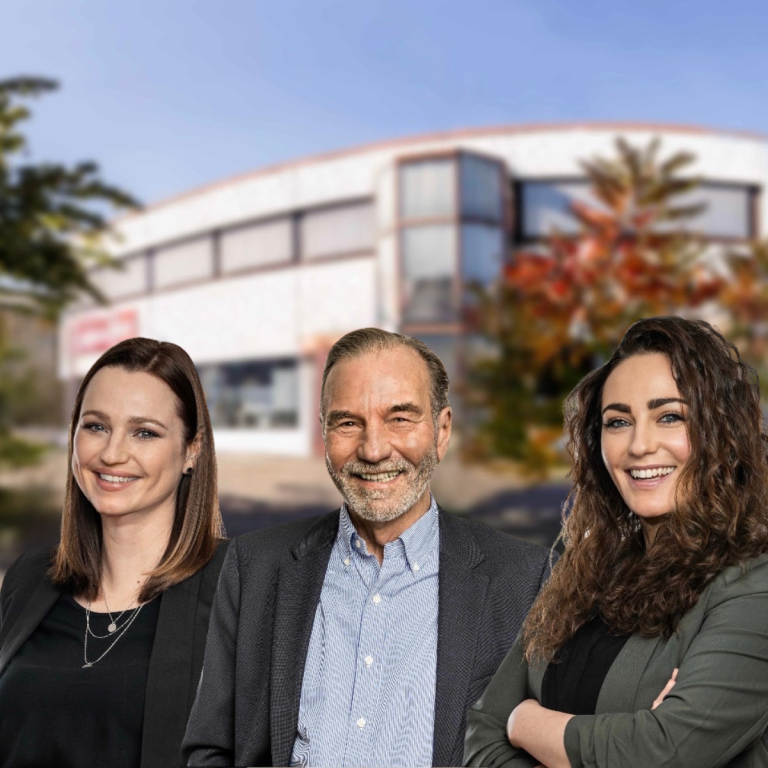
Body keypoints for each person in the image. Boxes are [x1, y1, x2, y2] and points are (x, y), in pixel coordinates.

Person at [182, 328, 553, 767]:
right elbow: (211, 750)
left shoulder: (525, 581)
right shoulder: (256, 569)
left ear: (442, 430)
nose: (373, 449)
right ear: (324, 434)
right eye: (348, 422)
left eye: (400, 418)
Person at [464, 316, 768, 768]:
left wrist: (526, 723)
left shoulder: (753, 583)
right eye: (618, 421)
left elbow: (662, 750)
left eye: (670, 417)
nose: (639, 445)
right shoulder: (580, 566)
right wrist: (611, 742)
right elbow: (482, 733)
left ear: (721, 433)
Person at [0, 338, 228, 768]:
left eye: (144, 432)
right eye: (96, 426)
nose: (112, 453)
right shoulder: (30, 577)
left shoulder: (238, 587)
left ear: (191, 451)